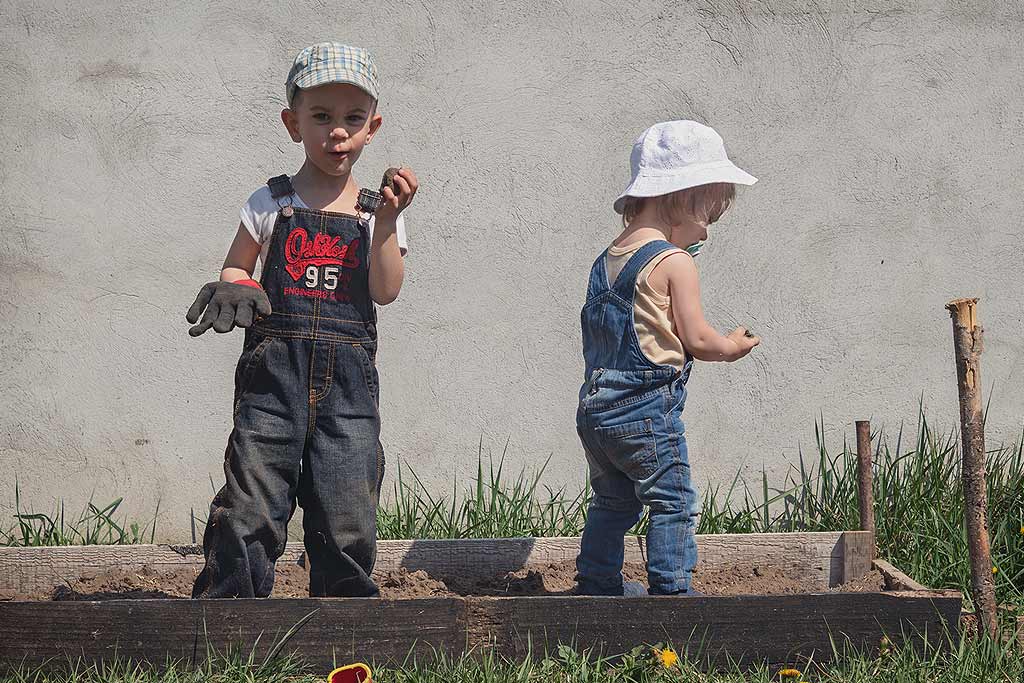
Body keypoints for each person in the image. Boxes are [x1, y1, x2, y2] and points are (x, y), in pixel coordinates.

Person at [186, 42, 417, 598]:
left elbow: (385, 291)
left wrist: (388, 223)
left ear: (372, 127)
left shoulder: (372, 211)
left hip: (348, 386)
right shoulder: (269, 203)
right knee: (253, 494)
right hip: (274, 380)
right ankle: (230, 612)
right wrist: (236, 284)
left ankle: (343, 614)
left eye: (352, 119)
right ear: (293, 124)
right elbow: (237, 265)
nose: (337, 131)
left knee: (347, 500)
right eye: (321, 117)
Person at [574, 120, 759, 596]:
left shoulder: (606, 260)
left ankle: (596, 583)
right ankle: (673, 591)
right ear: (684, 198)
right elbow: (696, 338)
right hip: (646, 412)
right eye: (708, 217)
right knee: (672, 499)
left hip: (596, 413)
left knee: (612, 501)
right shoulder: (675, 262)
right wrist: (732, 345)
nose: (706, 232)